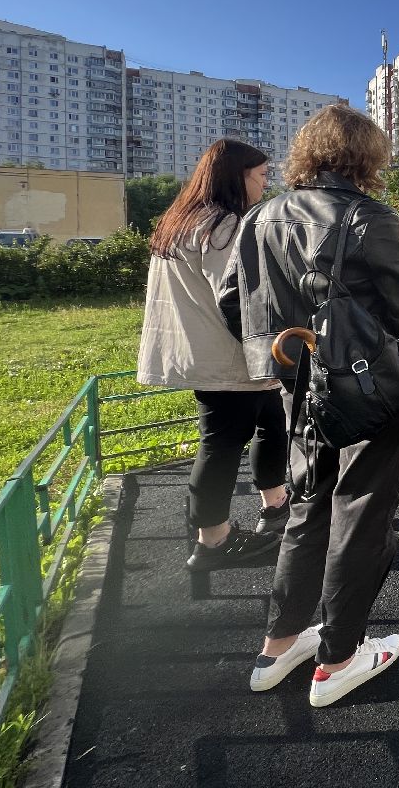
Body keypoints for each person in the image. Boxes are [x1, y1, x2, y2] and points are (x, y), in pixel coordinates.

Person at [218, 104, 399, 708]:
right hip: (369, 387)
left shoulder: (260, 218)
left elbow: (232, 302)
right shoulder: (371, 217)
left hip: (298, 385)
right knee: (361, 512)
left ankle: (278, 646)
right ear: (367, 157)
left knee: (307, 507)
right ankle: (339, 658)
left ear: (308, 154)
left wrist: (280, 361)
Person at [137, 139, 287, 573]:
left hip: (210, 351)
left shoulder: (183, 221)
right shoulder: (224, 225)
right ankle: (213, 543)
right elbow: (237, 297)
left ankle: (275, 505)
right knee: (221, 446)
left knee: (267, 425)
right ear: (237, 176)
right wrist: (273, 349)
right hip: (232, 357)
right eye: (260, 177)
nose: (264, 186)